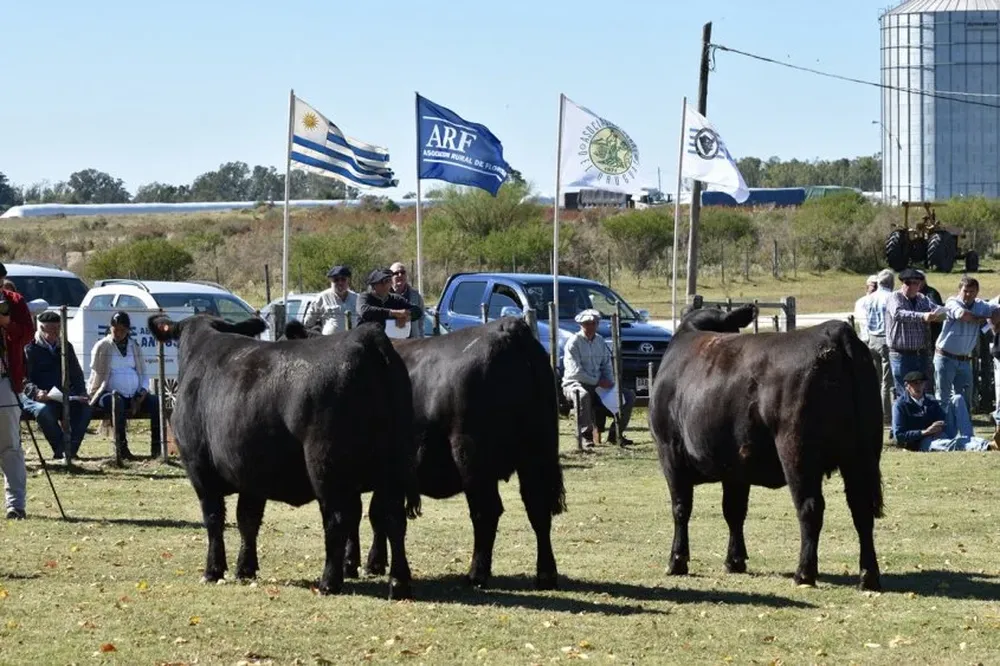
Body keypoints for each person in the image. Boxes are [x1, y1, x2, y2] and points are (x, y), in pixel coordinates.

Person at [86, 311, 161, 460]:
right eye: (115, 330)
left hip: (134, 394)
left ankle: (157, 448)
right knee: (116, 403)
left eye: (122, 330)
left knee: (156, 402)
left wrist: (140, 395)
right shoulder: (103, 346)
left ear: (128, 330)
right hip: (107, 393)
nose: (118, 333)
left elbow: (143, 374)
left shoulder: (134, 346)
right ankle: (122, 448)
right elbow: (97, 376)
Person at [21, 311, 91, 464]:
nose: (55, 332)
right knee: (43, 411)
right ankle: (63, 451)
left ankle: (68, 451)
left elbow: (76, 374)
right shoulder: (29, 348)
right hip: (35, 395)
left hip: (61, 394)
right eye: (51, 329)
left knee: (86, 409)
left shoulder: (65, 347)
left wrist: (82, 392)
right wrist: (36, 392)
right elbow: (23, 378)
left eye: (58, 328)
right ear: (41, 328)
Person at [561, 309, 635, 447]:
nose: (590, 326)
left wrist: (611, 383)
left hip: (599, 385)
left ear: (597, 324)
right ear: (580, 325)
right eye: (586, 323)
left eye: (593, 323)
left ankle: (615, 435)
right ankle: (585, 436)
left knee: (628, 396)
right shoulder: (573, 342)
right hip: (574, 383)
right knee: (582, 395)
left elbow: (606, 365)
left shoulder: (600, 341)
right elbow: (575, 372)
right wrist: (597, 382)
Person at [934, 276, 1000, 417]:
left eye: (972, 291)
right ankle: (943, 431)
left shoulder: (979, 304)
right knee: (943, 397)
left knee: (965, 399)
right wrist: (983, 319)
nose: (968, 294)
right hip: (945, 357)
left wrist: (992, 318)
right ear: (959, 290)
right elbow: (963, 315)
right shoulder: (952, 302)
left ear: (977, 292)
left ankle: (965, 431)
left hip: (964, 361)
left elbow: (996, 311)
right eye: (965, 291)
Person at [891, 370, 995, 452]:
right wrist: (925, 432)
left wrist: (940, 425)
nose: (918, 386)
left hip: (940, 433)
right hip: (921, 441)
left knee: (957, 398)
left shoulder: (930, 400)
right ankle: (987, 445)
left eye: (921, 383)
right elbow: (899, 435)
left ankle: (969, 438)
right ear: (907, 386)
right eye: (915, 383)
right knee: (951, 444)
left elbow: (942, 417)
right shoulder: (900, 405)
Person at [0, 272, 34, 520]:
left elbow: (28, 334)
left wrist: (7, 323)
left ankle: (15, 504)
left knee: (10, 445)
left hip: (5, 380)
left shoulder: (14, 301)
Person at [886, 268, 944, 401]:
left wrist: (944, 312)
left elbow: (936, 309)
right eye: (908, 283)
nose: (911, 286)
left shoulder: (922, 298)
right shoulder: (895, 297)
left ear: (920, 285)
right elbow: (898, 314)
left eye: (915, 283)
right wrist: (923, 316)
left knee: (923, 391)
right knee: (903, 392)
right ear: (902, 284)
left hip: (919, 354)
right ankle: (903, 421)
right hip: (900, 354)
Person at [864, 269, 895, 423]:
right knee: (887, 381)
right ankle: (886, 415)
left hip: (872, 338)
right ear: (891, 282)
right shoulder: (891, 297)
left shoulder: (870, 298)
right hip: (886, 339)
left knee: (875, 380)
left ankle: (873, 412)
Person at [357, 268, 422, 331]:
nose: (387, 284)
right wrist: (393, 313)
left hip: (392, 340)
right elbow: (364, 311)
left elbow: (417, 310)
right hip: (366, 339)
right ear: (374, 285)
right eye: (384, 281)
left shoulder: (395, 299)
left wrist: (407, 317)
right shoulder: (364, 297)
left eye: (389, 280)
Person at [303, 265, 358, 335]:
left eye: (343, 279)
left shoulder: (356, 298)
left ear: (348, 281)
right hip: (330, 343)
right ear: (331, 281)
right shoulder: (322, 298)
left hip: (352, 342)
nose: (340, 283)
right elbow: (308, 323)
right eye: (336, 280)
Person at [389, 262, 425, 339]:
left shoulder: (416, 296)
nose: (400, 275)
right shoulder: (384, 295)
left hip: (412, 343)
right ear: (390, 277)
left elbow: (421, 322)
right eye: (396, 273)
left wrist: (421, 340)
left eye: (402, 272)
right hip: (390, 343)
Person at [854, 275, 877, 344]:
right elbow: (863, 320)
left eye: (878, 285)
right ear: (867, 287)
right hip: (867, 338)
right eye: (873, 285)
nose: (876, 288)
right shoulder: (861, 302)